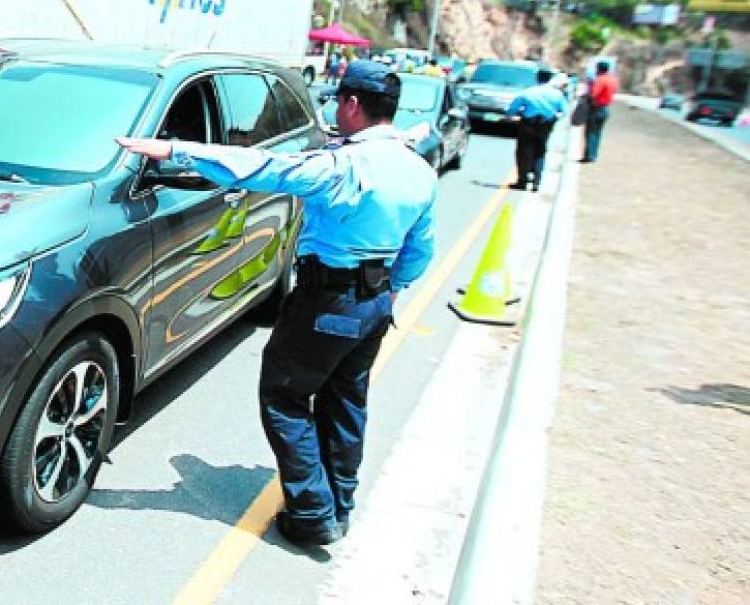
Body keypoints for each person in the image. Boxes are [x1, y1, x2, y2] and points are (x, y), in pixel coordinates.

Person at [117, 62, 437, 548]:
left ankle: (311, 514)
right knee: (346, 402)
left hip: (325, 300)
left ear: (353, 105)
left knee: (286, 399)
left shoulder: (342, 167)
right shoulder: (418, 169)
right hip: (374, 303)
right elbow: (421, 251)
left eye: (337, 101)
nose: (332, 109)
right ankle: (340, 503)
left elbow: (266, 169)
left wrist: (176, 149)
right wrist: (390, 290)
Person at [506, 68, 567, 191]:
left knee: (524, 152)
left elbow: (512, 109)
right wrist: (554, 118)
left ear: (537, 78)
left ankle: (522, 181)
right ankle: (537, 182)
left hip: (528, 124)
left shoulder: (528, 92)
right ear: (550, 79)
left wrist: (512, 115)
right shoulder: (557, 94)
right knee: (540, 152)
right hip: (546, 125)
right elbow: (564, 111)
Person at [582, 61, 618, 162]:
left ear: (598, 69)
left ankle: (589, 155)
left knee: (590, 132)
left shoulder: (600, 80)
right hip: (605, 108)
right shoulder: (613, 80)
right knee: (598, 133)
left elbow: (593, 94)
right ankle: (594, 154)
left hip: (596, 108)